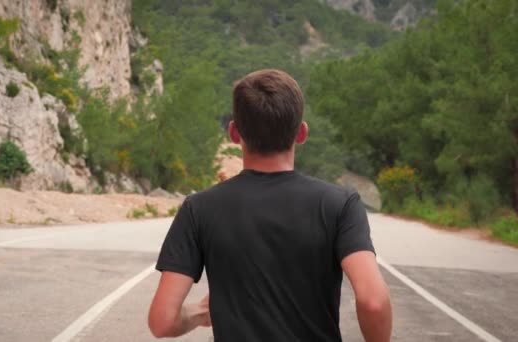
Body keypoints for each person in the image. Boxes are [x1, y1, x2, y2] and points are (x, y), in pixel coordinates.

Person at [148, 69, 392, 341]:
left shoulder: (198, 209)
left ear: (234, 133)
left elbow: (162, 321)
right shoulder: (340, 205)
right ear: (301, 133)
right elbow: (373, 301)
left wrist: (201, 313)